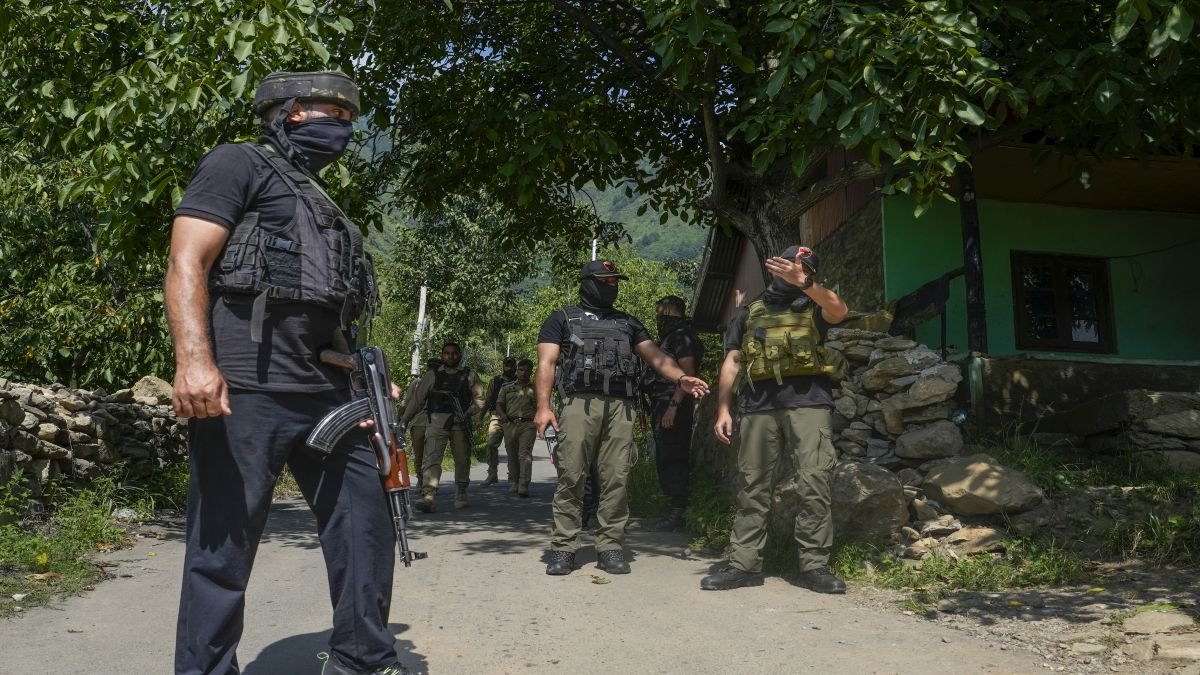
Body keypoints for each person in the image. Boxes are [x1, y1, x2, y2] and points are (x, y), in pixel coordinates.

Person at [166, 71, 408, 674]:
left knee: (367, 527)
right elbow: (186, 260)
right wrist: (194, 361)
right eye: (335, 113)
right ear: (293, 111)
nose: (345, 128)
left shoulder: (317, 199)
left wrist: (357, 364)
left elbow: (317, 303)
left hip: (329, 390)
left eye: (349, 119)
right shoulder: (235, 163)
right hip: (245, 386)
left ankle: (360, 660)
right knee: (222, 546)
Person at [535, 260, 709, 576]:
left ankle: (610, 546)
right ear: (588, 282)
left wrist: (681, 379)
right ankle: (563, 548)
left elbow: (657, 358)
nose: (611, 286)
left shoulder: (628, 323)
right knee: (572, 474)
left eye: (615, 281)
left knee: (616, 477)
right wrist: (543, 407)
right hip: (578, 405)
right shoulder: (562, 319)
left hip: (621, 407)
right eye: (605, 280)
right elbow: (546, 363)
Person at [701, 245, 850, 594]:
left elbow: (840, 311)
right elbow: (733, 361)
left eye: (804, 266)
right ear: (775, 266)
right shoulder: (748, 312)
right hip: (758, 405)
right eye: (791, 263)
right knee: (753, 486)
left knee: (814, 483)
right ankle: (744, 564)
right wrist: (723, 408)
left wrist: (807, 284)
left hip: (809, 404)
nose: (796, 269)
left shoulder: (816, 302)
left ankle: (814, 566)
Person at [641, 295, 704, 531]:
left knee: (672, 457)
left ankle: (678, 512)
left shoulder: (682, 336)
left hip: (673, 403)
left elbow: (688, 374)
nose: (660, 317)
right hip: (663, 403)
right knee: (665, 457)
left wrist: (673, 407)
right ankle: (673, 508)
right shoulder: (672, 336)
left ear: (673, 312)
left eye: (664, 313)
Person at [401, 342, 484, 512]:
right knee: (431, 458)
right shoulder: (432, 375)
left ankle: (461, 492)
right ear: (442, 356)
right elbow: (417, 400)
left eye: (454, 353)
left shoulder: (469, 375)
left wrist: (466, 413)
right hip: (437, 422)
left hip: (460, 423)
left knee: (462, 459)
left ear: (459, 355)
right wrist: (404, 421)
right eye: (447, 353)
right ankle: (429, 496)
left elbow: (480, 400)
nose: (450, 356)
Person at [496, 358, 537, 497]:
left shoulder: (536, 388)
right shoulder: (507, 387)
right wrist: (502, 415)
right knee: (512, 455)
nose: (523, 373)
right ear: (517, 370)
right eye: (521, 370)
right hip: (510, 424)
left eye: (527, 370)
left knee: (524, 454)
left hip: (528, 424)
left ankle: (523, 484)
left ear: (531, 372)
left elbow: (541, 406)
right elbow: (499, 404)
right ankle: (514, 481)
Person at [403, 358, 442, 489]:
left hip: (432, 422)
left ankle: (426, 481)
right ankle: (422, 480)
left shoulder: (441, 382)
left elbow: (406, 403)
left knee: (428, 455)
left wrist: (401, 420)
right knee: (422, 454)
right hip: (421, 422)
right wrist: (402, 419)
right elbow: (409, 402)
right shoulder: (417, 383)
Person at [479, 357, 517, 486]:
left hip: (513, 418)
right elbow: (488, 400)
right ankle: (492, 473)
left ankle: (513, 478)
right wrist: (480, 418)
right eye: (507, 365)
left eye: (512, 365)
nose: (510, 368)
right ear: (503, 366)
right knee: (491, 444)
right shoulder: (495, 381)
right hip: (496, 416)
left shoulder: (519, 381)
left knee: (512, 448)